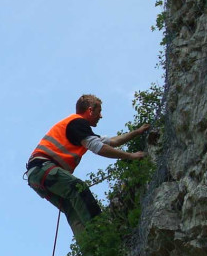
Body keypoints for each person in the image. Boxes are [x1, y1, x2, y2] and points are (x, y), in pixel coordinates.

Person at [25, 94, 150, 237]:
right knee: (79, 189)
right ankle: (103, 232)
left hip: (36, 175)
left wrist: (137, 132)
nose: (101, 116)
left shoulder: (78, 128)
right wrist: (130, 156)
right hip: (44, 168)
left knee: (73, 209)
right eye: (99, 111)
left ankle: (92, 247)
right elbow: (99, 148)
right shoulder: (77, 123)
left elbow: (112, 141)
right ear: (90, 110)